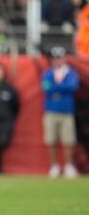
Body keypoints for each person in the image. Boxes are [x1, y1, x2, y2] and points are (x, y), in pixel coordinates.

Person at [41, 46, 80, 178]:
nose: (57, 61)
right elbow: (46, 88)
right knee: (51, 140)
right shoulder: (48, 73)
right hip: (51, 111)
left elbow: (72, 86)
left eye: (60, 58)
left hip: (66, 111)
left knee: (68, 140)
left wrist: (56, 88)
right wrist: (60, 89)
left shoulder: (71, 73)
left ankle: (68, 166)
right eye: (55, 58)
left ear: (64, 59)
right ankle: (54, 166)